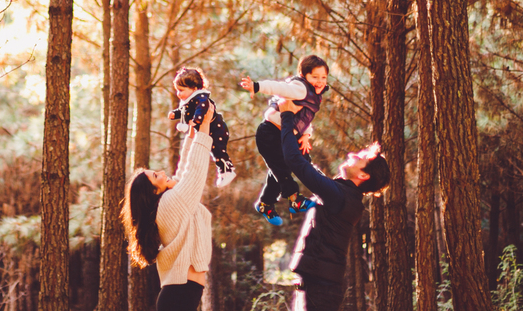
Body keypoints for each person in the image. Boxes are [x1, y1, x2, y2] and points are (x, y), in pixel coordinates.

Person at [277, 97, 391, 311]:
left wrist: (286, 115)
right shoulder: (345, 196)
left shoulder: (339, 196)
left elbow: (294, 161)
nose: (352, 155)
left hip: (320, 287)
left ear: (363, 175)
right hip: (318, 284)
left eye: (360, 157)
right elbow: (307, 167)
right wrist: (301, 138)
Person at [122, 98, 216, 311]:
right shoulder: (171, 202)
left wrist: (191, 135)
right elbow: (194, 171)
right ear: (153, 191)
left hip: (180, 294)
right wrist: (205, 127)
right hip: (180, 295)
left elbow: (184, 171)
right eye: (157, 176)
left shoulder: (165, 204)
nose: (163, 173)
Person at [239, 54, 331, 225]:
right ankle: (295, 199)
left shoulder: (314, 94)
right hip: (270, 134)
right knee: (281, 168)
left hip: (287, 134)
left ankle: (266, 203)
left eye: (323, 77)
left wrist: (305, 135)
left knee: (288, 166)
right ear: (305, 76)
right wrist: (257, 86)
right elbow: (279, 87)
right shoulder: (301, 88)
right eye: (315, 77)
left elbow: (305, 118)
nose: (320, 81)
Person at [167, 66, 235, 187]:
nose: (178, 94)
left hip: (217, 130)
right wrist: (175, 114)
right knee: (213, 153)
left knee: (218, 152)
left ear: (194, 88)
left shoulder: (201, 99)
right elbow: (184, 111)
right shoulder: (190, 102)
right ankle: (223, 172)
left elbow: (201, 109)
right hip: (209, 131)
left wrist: (196, 120)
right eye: (177, 90)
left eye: (181, 90)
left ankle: (227, 171)